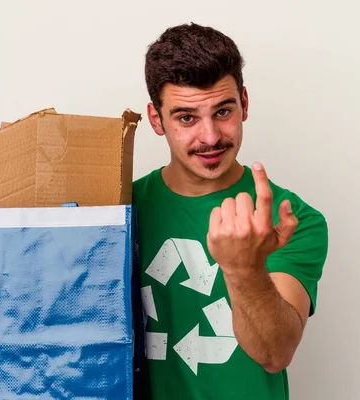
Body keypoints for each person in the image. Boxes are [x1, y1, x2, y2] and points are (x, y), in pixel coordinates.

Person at [132, 22, 329, 400]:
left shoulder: (294, 219)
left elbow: (275, 353)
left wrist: (244, 268)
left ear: (245, 103)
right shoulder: (120, 212)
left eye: (223, 111)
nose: (210, 137)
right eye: (186, 117)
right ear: (157, 119)